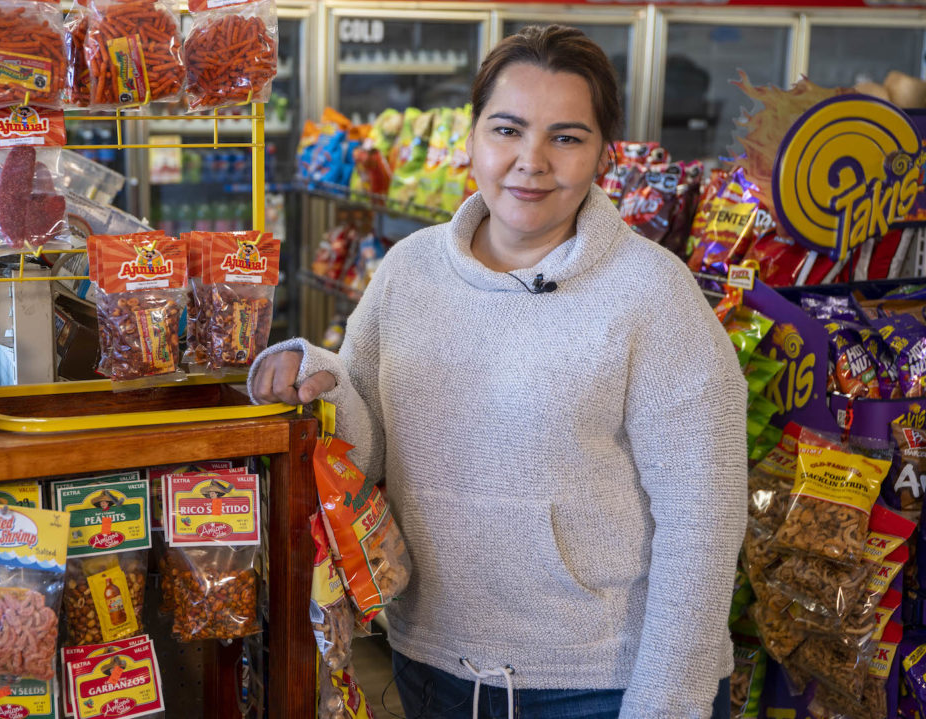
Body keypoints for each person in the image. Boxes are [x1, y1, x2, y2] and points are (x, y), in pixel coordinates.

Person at [250, 25, 745, 719]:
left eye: (567, 137)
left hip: (601, 684)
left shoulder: (654, 294)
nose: (530, 161)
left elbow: (705, 520)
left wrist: (668, 701)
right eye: (507, 129)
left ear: (605, 152)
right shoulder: (411, 270)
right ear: (473, 135)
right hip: (433, 666)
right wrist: (315, 372)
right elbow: (364, 446)